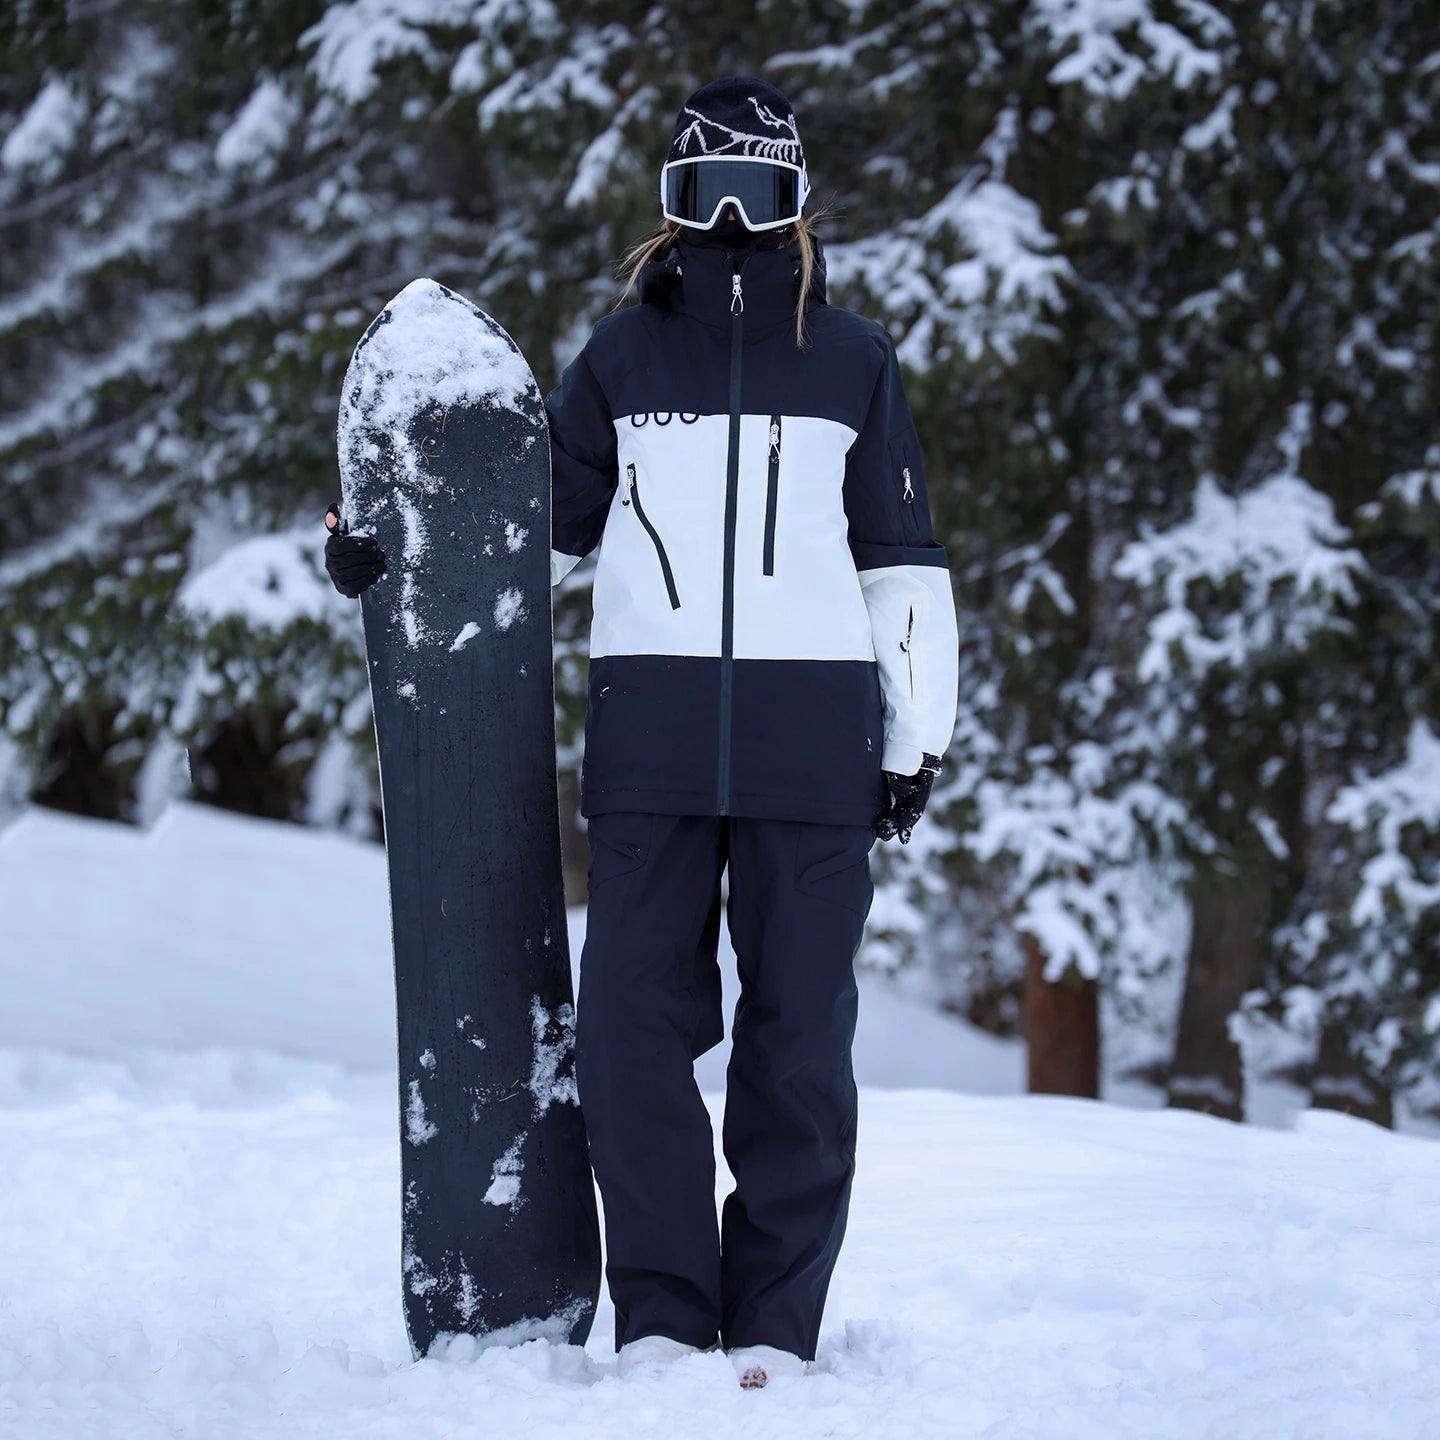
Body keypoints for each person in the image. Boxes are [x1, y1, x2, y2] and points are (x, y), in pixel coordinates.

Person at [324, 76, 958, 1389]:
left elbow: (904, 564)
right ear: (669, 210)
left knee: (798, 1042)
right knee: (627, 1032)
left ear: (795, 204)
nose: (730, 223)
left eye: (757, 194)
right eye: (702, 195)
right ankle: (666, 1313)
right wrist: (385, 550)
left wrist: (914, 738)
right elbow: (520, 513)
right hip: (653, 741)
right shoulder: (620, 358)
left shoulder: (852, 362)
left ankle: (775, 1326)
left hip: (810, 746)